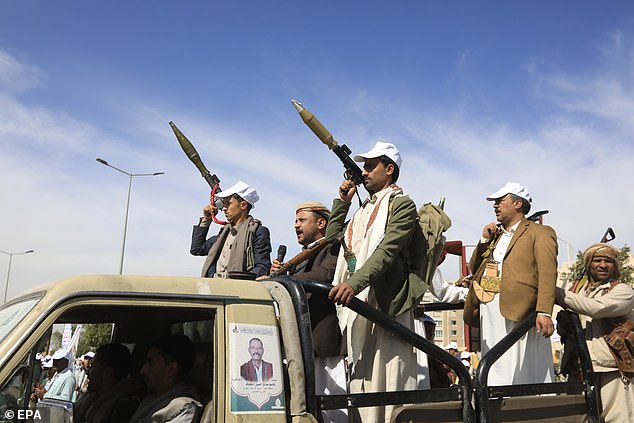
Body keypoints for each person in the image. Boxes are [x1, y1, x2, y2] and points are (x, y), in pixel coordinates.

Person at [326, 141, 426, 423]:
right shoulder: (363, 210)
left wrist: (354, 285)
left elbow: (386, 251)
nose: (364, 172)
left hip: (385, 305)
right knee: (362, 381)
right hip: (359, 306)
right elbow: (333, 240)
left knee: (388, 379)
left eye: (370, 166)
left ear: (390, 169)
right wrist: (343, 203)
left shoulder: (402, 205)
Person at [463, 182, 556, 386]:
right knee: (495, 366)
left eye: (500, 201)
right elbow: (475, 267)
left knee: (523, 367)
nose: (495, 206)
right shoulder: (496, 237)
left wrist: (544, 311)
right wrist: (484, 240)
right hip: (491, 312)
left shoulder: (540, 232)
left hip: (519, 312)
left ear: (518, 204)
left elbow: (548, 273)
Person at [268, 201, 345, 422]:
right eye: (295, 220)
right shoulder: (304, 254)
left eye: (302, 220)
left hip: (322, 342)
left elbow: (324, 275)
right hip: (302, 341)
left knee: (331, 408)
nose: (296, 225)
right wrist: (282, 272)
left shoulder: (332, 246)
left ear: (321, 223)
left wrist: (286, 278)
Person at [556, 243, 634, 422]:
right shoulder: (578, 293)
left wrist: (555, 293)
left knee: (618, 418)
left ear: (615, 266)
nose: (603, 264)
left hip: (612, 367)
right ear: (588, 265)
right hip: (580, 368)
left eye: (608, 261)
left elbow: (596, 308)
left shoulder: (623, 291)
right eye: (597, 260)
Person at [190, 181, 272, 279]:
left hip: (237, 290)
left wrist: (240, 282)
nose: (224, 208)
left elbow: (261, 267)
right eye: (224, 204)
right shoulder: (224, 233)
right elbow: (197, 249)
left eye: (228, 204)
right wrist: (206, 219)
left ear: (243, 205)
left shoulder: (257, 232)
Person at [130, 334, 202, 423]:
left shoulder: (184, 408)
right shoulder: (152, 398)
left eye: (151, 363)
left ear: (171, 369)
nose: (143, 370)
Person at [74, 344, 145, 423]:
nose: (87, 372)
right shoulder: (93, 397)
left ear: (107, 372)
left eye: (92, 366)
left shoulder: (122, 407)